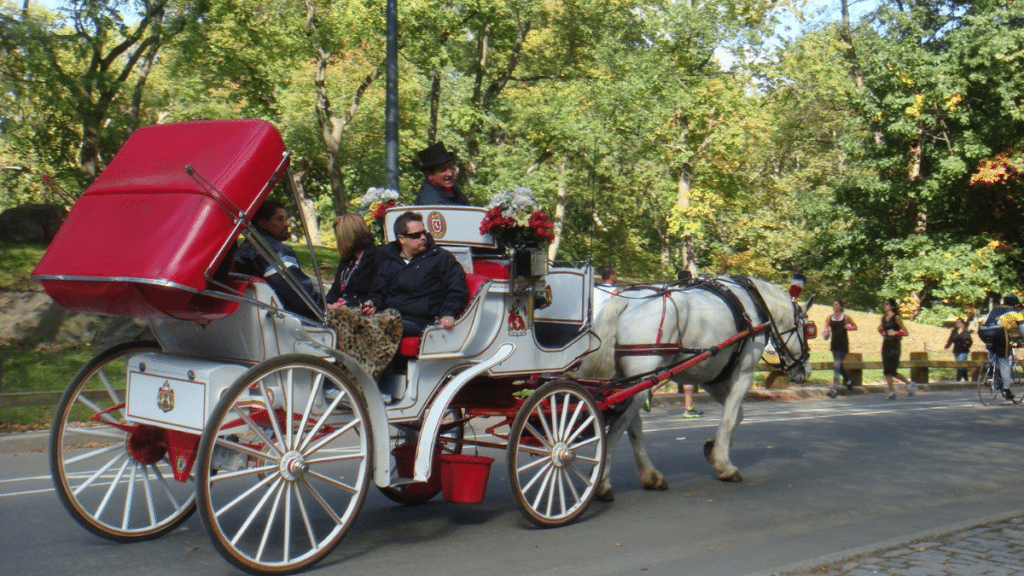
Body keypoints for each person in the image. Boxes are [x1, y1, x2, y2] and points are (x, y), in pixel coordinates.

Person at [364, 211, 470, 336]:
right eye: (416, 235)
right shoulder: (390, 261)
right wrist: (373, 304)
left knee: (378, 326)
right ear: (401, 239)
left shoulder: (441, 257)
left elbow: (457, 288)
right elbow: (379, 293)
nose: (423, 238)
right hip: (390, 316)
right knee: (351, 320)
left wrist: (448, 313)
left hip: (422, 321)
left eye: (424, 233)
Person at [235, 199, 322, 319]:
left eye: (285, 219)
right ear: (263, 223)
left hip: (251, 316)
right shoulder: (276, 251)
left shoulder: (243, 249)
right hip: (286, 321)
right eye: (279, 219)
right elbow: (303, 299)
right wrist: (325, 305)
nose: (286, 224)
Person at [325, 214, 381, 308]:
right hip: (340, 308)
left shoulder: (377, 256)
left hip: (359, 310)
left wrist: (347, 306)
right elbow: (335, 289)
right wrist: (327, 304)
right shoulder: (347, 259)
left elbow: (377, 294)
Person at [979, 294, 1022, 401]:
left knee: (993, 350)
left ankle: (990, 369)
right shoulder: (1016, 312)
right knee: (1004, 360)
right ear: (1015, 303)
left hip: (983, 330)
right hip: (998, 331)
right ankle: (1006, 389)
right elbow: (1022, 330)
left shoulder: (995, 308)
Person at [878, 298, 916, 400]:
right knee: (886, 371)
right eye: (884, 304)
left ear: (892, 307)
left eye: (887, 304)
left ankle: (909, 383)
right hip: (886, 345)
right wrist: (881, 331)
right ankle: (892, 392)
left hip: (895, 345)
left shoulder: (896, 318)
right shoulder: (883, 318)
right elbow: (882, 330)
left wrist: (896, 333)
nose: (884, 306)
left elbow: (906, 332)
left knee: (893, 371)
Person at [413, 142, 471, 206]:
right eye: (443, 170)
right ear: (429, 175)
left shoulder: (452, 186)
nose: (450, 174)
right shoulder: (430, 203)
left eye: (450, 167)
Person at [824, 299, 858, 398]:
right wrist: (826, 333)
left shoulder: (846, 318)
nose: (835, 306)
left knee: (837, 365)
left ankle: (834, 389)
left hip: (843, 344)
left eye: (837, 305)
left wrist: (849, 327)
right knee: (839, 366)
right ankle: (849, 381)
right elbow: (826, 329)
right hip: (834, 344)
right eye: (833, 305)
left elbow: (855, 327)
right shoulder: (830, 318)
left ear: (841, 307)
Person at [944, 317, 973, 382]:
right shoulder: (954, 332)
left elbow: (970, 341)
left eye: (959, 322)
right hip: (956, 350)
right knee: (962, 365)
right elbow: (950, 339)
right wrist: (946, 346)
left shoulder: (966, 332)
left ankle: (958, 380)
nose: (957, 324)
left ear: (962, 324)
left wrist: (967, 345)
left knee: (960, 364)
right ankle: (966, 380)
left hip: (964, 350)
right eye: (956, 323)